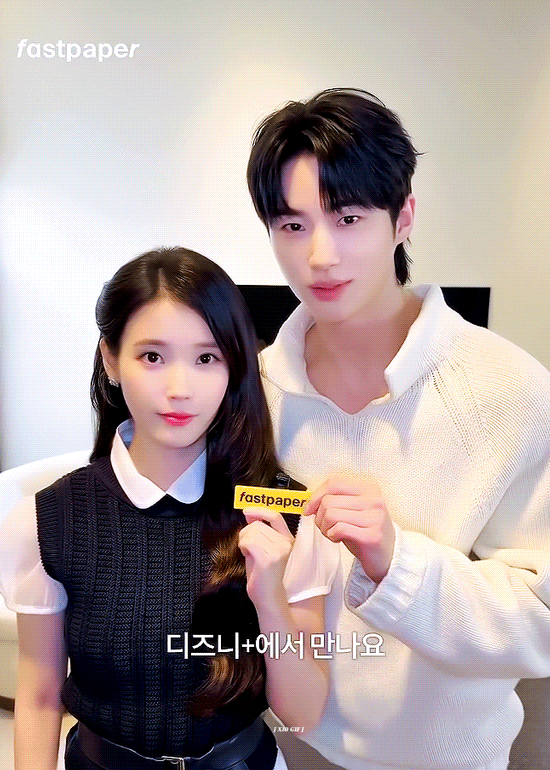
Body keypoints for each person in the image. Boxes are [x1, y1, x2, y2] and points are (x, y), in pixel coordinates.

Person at [246, 88, 550, 770]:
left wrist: (397, 564)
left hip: (449, 757)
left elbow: (543, 618)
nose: (320, 255)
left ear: (403, 216)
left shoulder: (507, 389)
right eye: (291, 225)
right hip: (290, 744)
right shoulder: (255, 392)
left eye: (349, 218)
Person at [0, 247, 337, 770]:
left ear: (234, 368)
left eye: (206, 358)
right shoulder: (49, 520)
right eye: (152, 357)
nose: (180, 390)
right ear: (111, 359)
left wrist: (270, 599)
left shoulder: (284, 513)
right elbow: (40, 698)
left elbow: (305, 713)